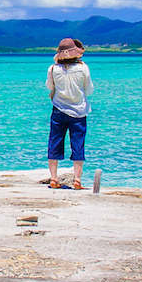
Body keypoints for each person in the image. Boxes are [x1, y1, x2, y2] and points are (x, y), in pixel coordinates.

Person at [45, 37, 92, 189]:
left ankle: (53, 178)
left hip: (58, 108)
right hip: (78, 111)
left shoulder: (53, 69)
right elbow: (89, 89)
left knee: (55, 142)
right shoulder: (83, 68)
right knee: (78, 144)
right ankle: (77, 179)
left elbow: (49, 86)